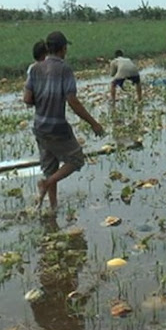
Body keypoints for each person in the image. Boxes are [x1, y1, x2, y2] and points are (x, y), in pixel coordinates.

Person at [23, 31, 104, 211]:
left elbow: (27, 99)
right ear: (63, 49)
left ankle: (51, 208)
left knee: (50, 168)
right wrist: (93, 123)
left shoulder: (35, 68)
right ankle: (46, 184)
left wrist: (43, 97)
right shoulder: (64, 69)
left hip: (40, 127)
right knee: (76, 159)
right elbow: (72, 101)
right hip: (56, 127)